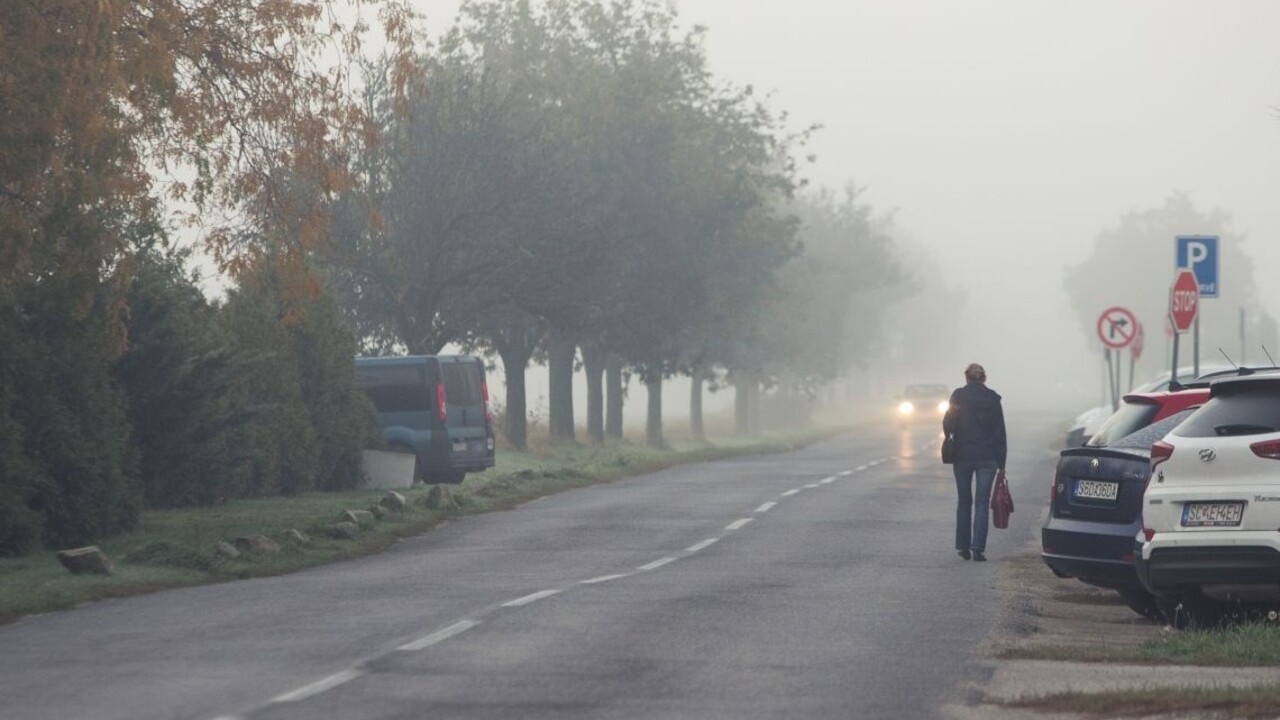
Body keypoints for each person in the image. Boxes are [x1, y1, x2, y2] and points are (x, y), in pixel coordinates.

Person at [942, 363, 1007, 562]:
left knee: (964, 501)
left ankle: (963, 547)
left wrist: (951, 433)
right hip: (988, 458)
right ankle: (978, 548)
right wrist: (1002, 464)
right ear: (984, 378)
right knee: (981, 502)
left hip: (962, 455)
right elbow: (1000, 432)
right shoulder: (993, 399)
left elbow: (947, 423)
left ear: (967, 378)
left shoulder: (959, 396)